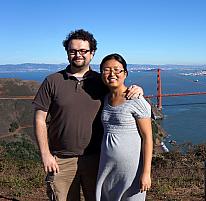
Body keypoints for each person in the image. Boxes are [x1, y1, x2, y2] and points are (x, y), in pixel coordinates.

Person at [33, 29, 143, 201]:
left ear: (92, 54)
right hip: (61, 160)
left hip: (98, 160)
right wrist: (45, 155)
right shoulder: (52, 81)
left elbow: (122, 94)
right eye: (73, 51)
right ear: (67, 53)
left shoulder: (103, 81)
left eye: (83, 51)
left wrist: (136, 89)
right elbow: (39, 119)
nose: (78, 55)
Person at [96, 53, 153, 201]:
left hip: (131, 171)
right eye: (106, 70)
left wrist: (146, 173)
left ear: (125, 73)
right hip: (107, 169)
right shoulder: (105, 98)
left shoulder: (136, 100)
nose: (112, 74)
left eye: (117, 70)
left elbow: (148, 138)